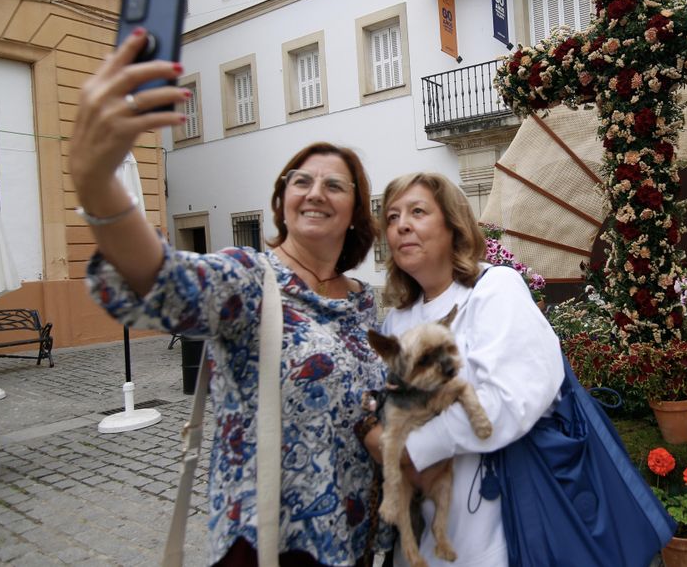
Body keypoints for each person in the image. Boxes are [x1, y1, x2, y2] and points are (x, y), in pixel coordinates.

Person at [73, 28, 388, 567]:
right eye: (301, 181)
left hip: (356, 539)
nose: (315, 192)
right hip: (268, 543)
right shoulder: (248, 279)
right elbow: (163, 281)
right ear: (282, 202)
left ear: (356, 211)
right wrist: (98, 184)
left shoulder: (366, 302)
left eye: (335, 185)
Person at [370, 172, 564, 567]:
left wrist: (413, 449)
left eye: (417, 211)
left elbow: (512, 398)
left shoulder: (495, 289)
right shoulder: (397, 322)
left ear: (453, 225)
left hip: (496, 531)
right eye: (392, 217)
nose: (401, 224)